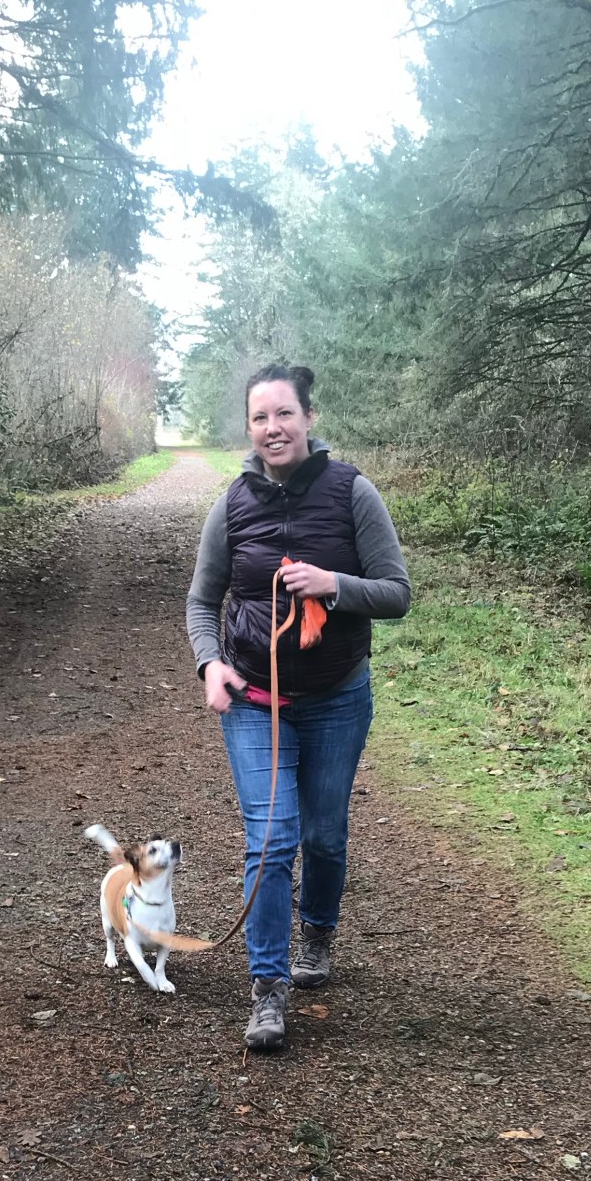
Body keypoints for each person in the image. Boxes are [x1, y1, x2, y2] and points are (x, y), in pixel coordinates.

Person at [186, 362, 412, 1051]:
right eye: (260, 417)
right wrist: (211, 662)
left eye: (284, 413)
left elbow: (396, 593)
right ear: (249, 427)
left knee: (324, 835)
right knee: (271, 838)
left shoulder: (352, 492)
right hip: (255, 700)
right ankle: (267, 988)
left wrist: (332, 584)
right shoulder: (232, 505)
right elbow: (202, 601)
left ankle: (317, 931)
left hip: (338, 698)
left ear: (309, 418)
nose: (272, 427)